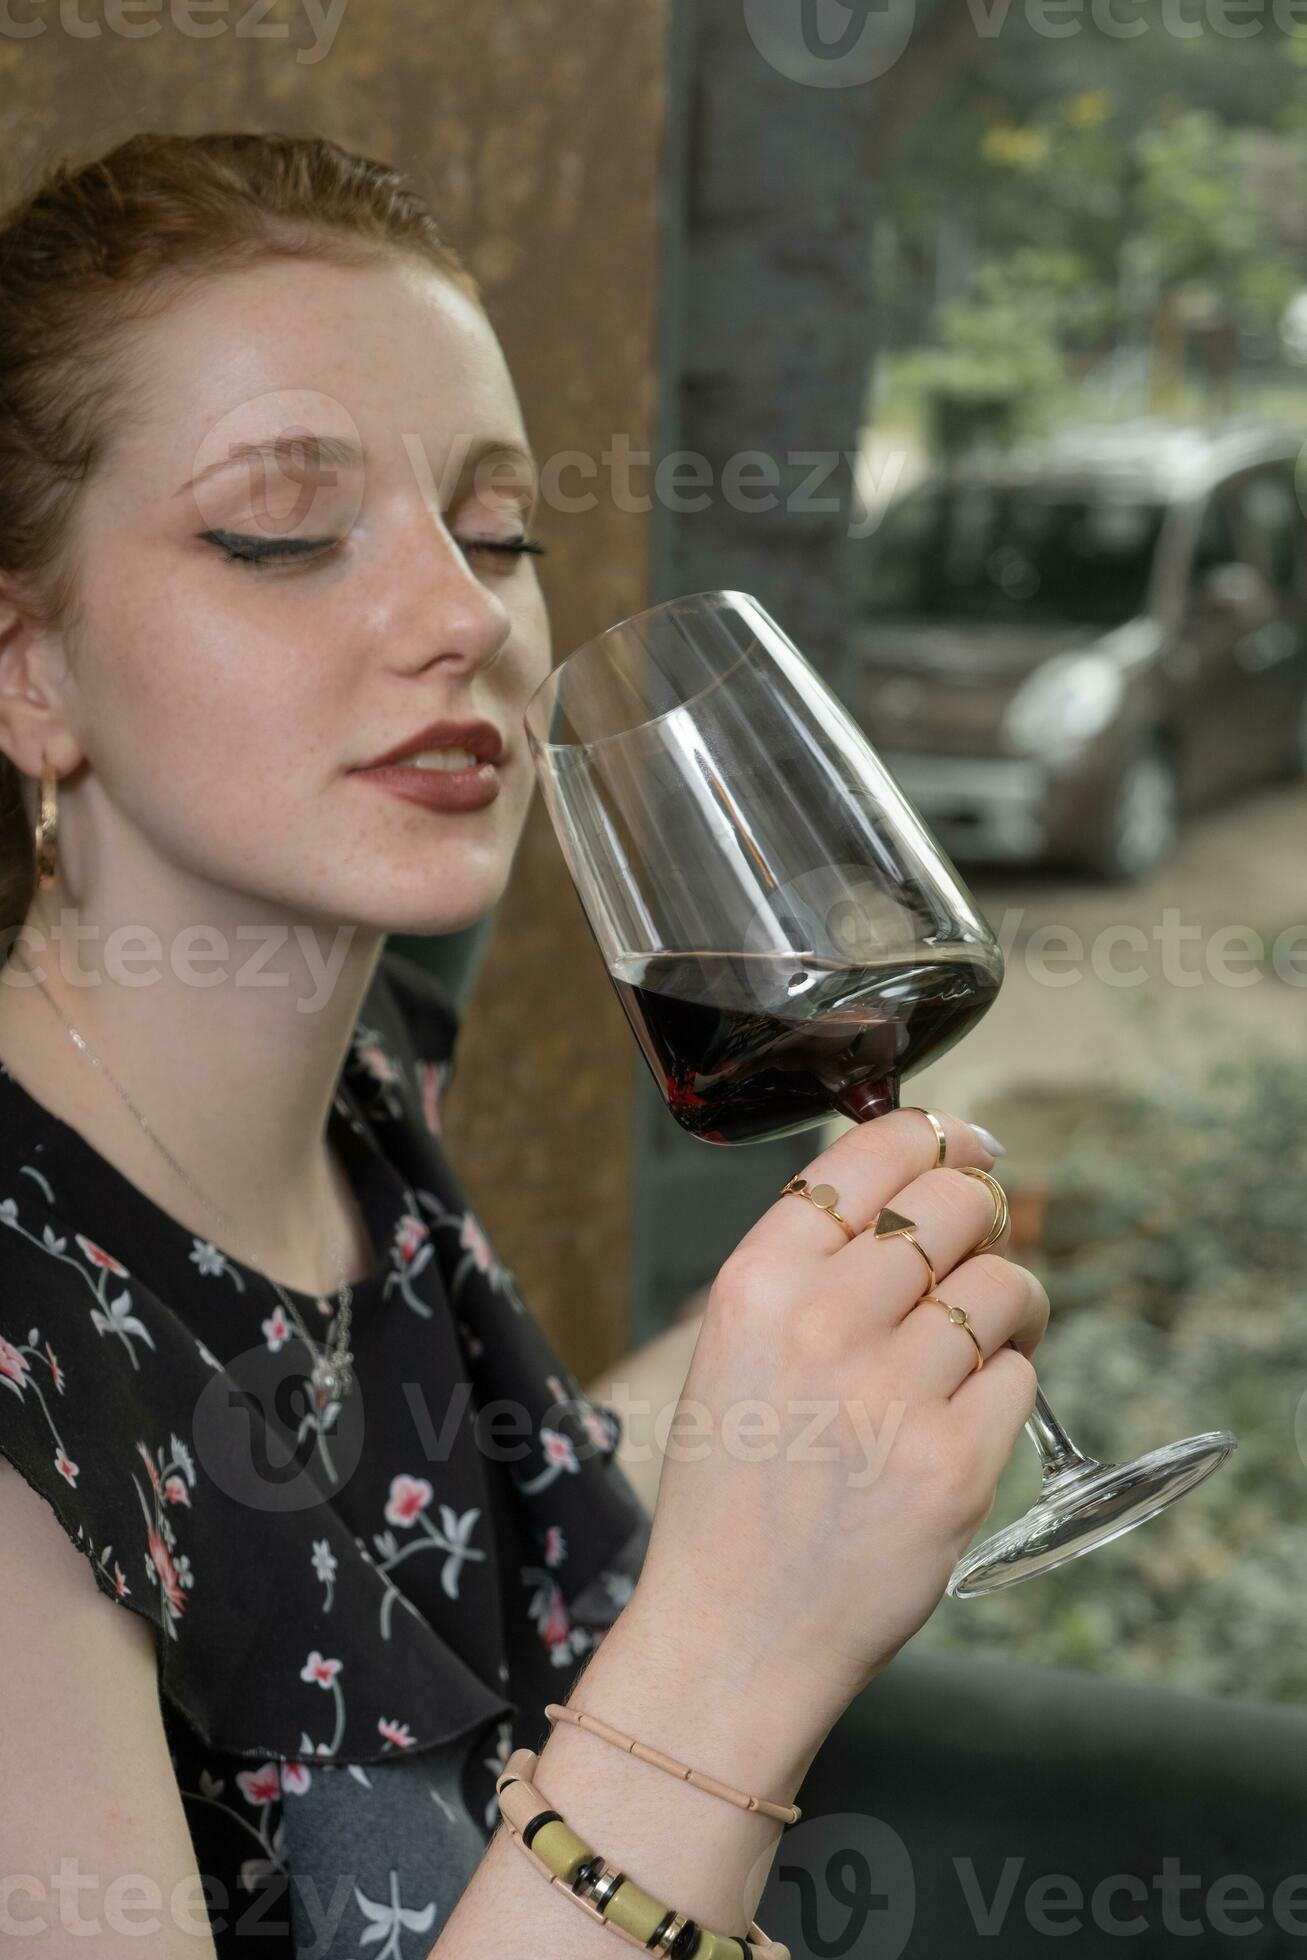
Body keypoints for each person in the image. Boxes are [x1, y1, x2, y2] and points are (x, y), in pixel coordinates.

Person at [0, 131, 1047, 1959]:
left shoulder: (375, 1073)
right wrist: (733, 1646)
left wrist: (828, 1384)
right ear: (26, 669)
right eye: (282, 531)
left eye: (495, 532)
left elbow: (423, 1496)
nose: (466, 615)